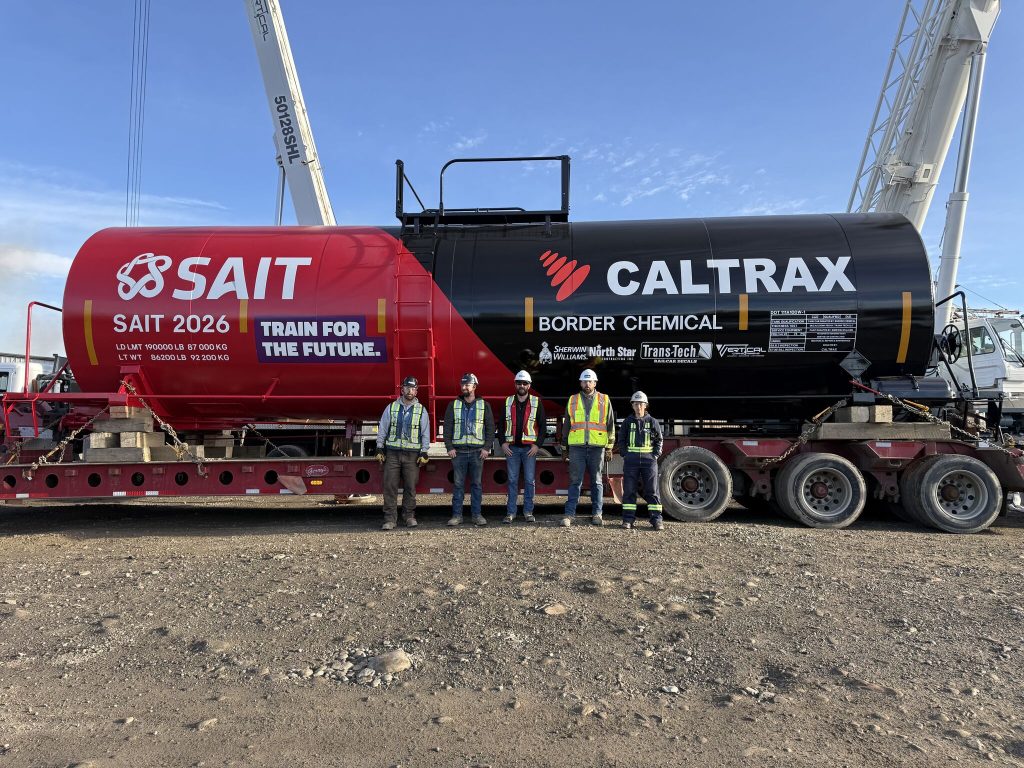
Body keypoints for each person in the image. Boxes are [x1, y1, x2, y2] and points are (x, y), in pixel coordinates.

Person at [560, 369, 615, 527]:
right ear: (580, 383)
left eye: (590, 381)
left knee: (596, 481)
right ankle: (569, 514)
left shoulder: (604, 399)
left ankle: (597, 514)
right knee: (575, 481)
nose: (587, 384)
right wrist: (564, 448)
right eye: (584, 381)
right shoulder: (573, 400)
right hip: (577, 447)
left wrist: (609, 447)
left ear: (595, 383)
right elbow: (567, 426)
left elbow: (610, 425)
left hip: (597, 447)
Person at [376, 376, 430, 530]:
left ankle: (409, 516)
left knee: (410, 487)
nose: (410, 391)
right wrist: (380, 447)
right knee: (390, 486)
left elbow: (425, 432)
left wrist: (424, 451)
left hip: (412, 455)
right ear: (402, 389)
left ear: (416, 390)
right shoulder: (391, 407)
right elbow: (383, 428)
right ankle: (390, 519)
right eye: (407, 388)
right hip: (392, 454)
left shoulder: (421, 410)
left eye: (413, 388)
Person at [443, 373, 495, 526]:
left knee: (476, 485)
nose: (464, 387)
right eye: (463, 384)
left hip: (477, 453)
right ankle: (457, 516)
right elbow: (447, 427)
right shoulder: (453, 405)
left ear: (474, 386)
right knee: (458, 485)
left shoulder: (484, 405)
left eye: (468, 384)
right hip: (458, 453)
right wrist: (449, 447)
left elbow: (491, 428)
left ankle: (477, 515)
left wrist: (486, 448)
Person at [499, 370, 547, 524]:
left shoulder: (536, 402)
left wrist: (537, 445)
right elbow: (500, 425)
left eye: (525, 383)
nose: (521, 385)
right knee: (512, 480)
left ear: (529, 385)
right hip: (512, 449)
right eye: (519, 383)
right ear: (515, 384)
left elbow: (543, 427)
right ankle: (511, 513)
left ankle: (528, 512)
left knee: (529, 481)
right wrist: (502, 443)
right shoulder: (507, 402)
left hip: (529, 450)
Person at [615, 391, 664, 530]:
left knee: (652, 491)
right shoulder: (627, 422)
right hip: (631, 461)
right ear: (632, 405)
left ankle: (656, 520)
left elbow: (659, 440)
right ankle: (628, 520)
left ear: (646, 405)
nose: (638, 407)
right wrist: (626, 454)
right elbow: (621, 440)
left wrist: (654, 455)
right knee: (629, 491)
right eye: (636, 404)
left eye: (641, 404)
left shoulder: (652, 421)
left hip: (649, 461)